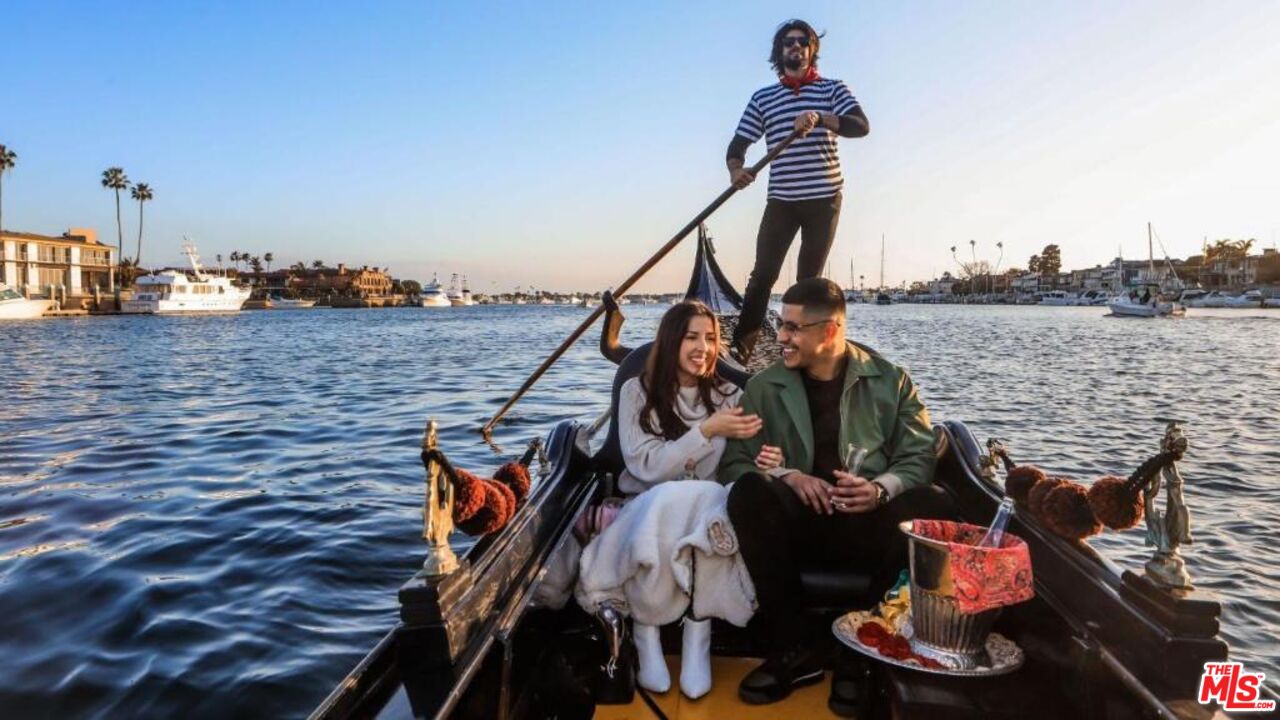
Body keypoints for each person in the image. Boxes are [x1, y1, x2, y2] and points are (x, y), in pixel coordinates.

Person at [719, 278, 947, 707]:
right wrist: (790, 476)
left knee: (932, 504)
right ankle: (794, 648)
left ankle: (858, 649)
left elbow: (919, 458)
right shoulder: (763, 387)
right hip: (798, 524)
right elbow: (734, 463)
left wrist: (879, 490)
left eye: (792, 328)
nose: (781, 336)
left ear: (829, 331)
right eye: (780, 324)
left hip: (871, 525)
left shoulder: (892, 382)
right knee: (747, 493)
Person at [577, 301, 783, 699]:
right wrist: (706, 430)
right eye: (691, 337)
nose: (703, 348)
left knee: (704, 500)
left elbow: (754, 452)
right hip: (645, 504)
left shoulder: (730, 394)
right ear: (671, 341)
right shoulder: (636, 392)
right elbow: (646, 466)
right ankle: (648, 630)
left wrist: (771, 459)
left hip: (708, 508)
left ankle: (696, 633)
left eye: (710, 338)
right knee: (670, 501)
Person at [726, 19, 870, 362]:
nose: (796, 46)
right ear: (780, 51)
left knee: (808, 281)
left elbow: (860, 126)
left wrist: (820, 118)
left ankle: (803, 349)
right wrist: (736, 171)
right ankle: (740, 350)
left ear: (811, 50)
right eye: (789, 42)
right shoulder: (764, 98)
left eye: (803, 41)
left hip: (824, 198)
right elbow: (738, 144)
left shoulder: (833, 90)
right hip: (782, 200)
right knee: (763, 276)